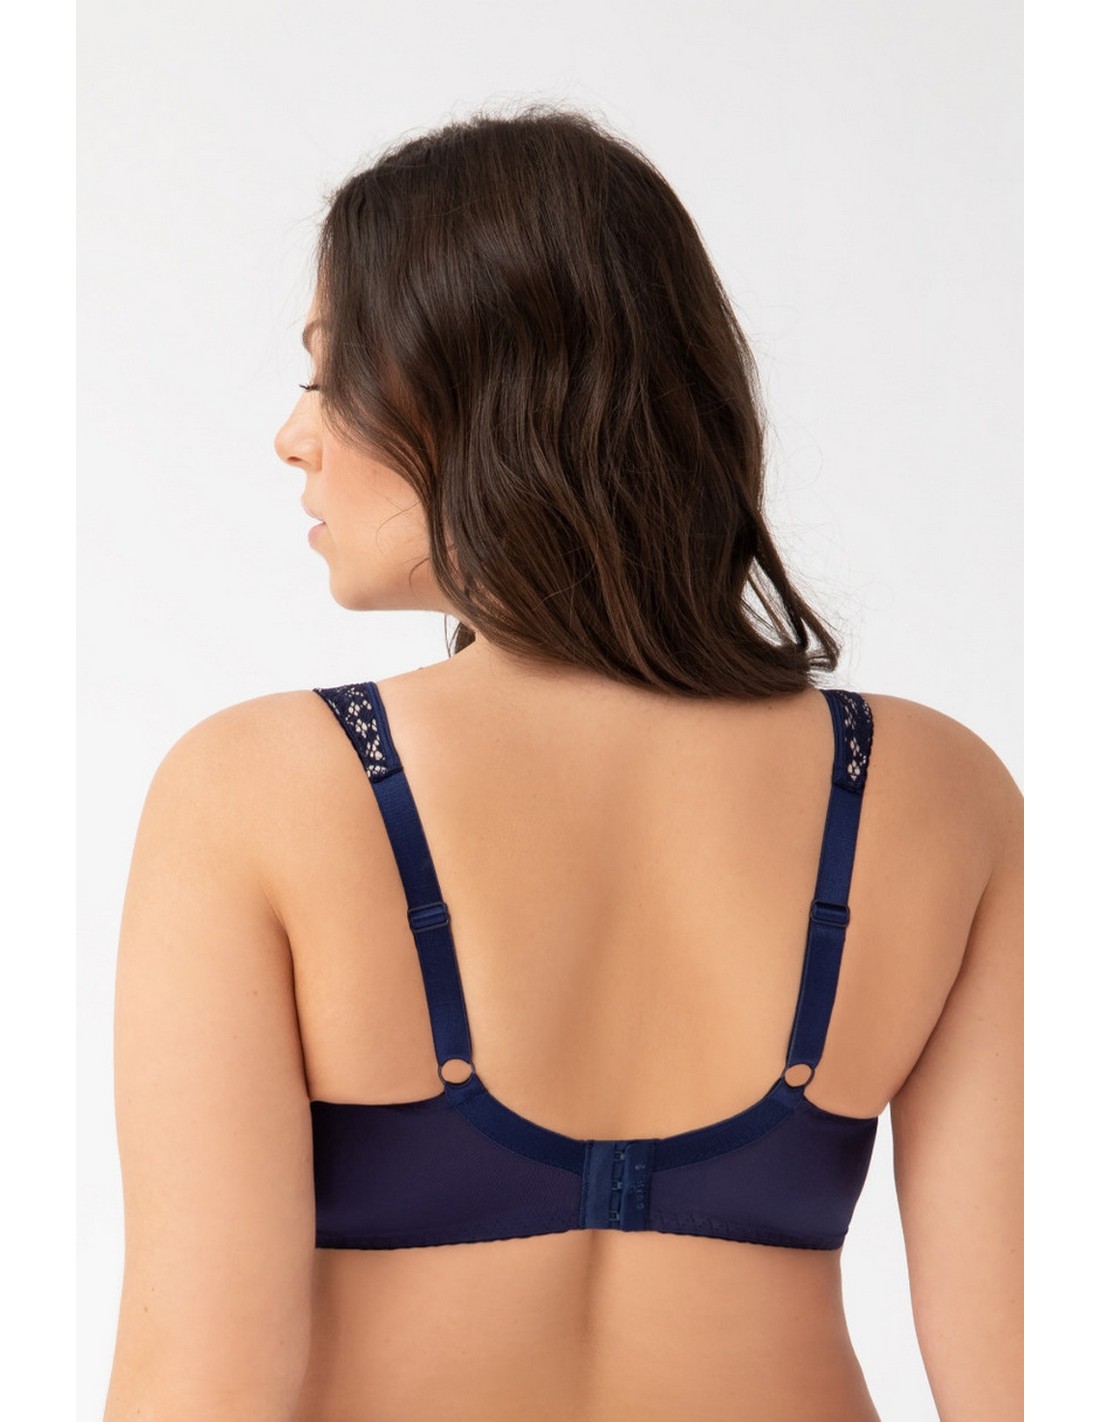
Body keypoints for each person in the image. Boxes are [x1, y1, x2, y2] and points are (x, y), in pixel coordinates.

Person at [104, 104, 1023, 1422]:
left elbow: (197, 1385)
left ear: (467, 385)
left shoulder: (257, 789)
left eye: (327, 373)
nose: (294, 436)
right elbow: (1026, 1373)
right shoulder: (939, 792)